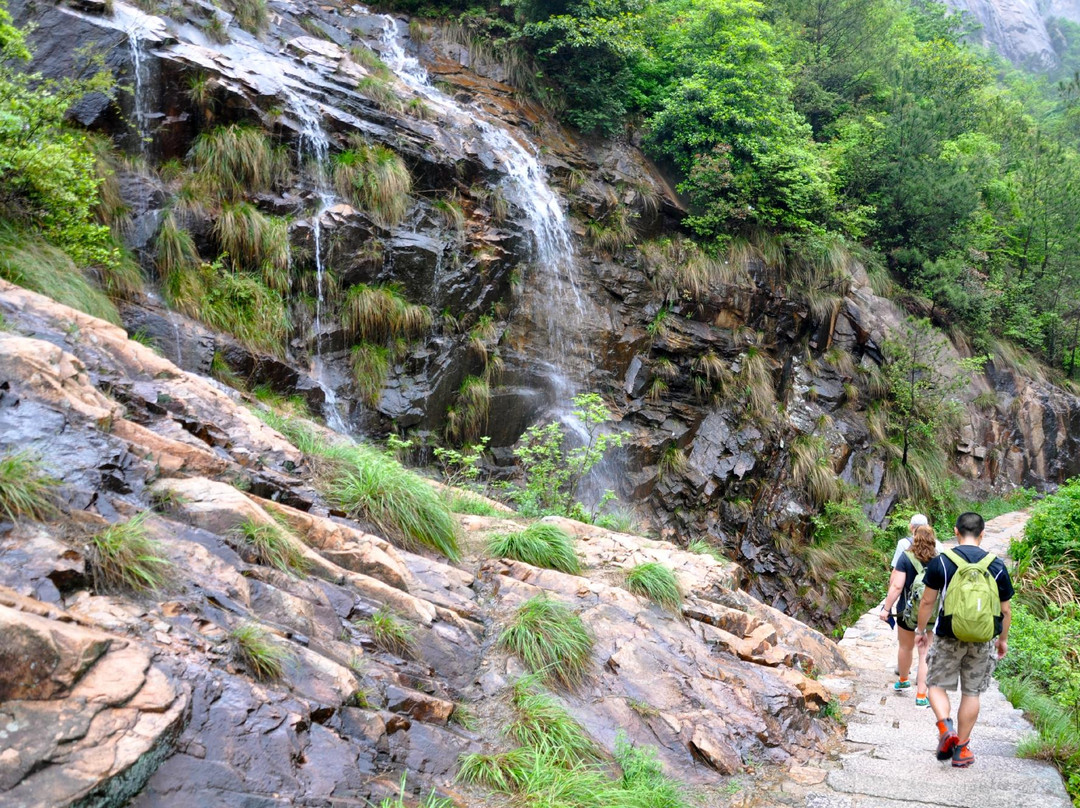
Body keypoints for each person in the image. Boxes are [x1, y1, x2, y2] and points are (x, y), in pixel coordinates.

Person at [914, 512, 1014, 769]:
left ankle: (945, 727)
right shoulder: (997, 566)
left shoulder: (942, 562)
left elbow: (927, 601)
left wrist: (921, 630)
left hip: (948, 635)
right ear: (983, 534)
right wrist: (1002, 640)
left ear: (956, 531)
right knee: (971, 693)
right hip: (982, 639)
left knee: (936, 685)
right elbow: (1005, 610)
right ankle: (962, 749)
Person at [879, 524, 938, 706]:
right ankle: (921, 695)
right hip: (929, 614)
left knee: (905, 647)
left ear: (914, 537)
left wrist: (886, 609)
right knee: (925, 652)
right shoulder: (939, 559)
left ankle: (904, 680)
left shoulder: (905, 557)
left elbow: (897, 586)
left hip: (906, 611)